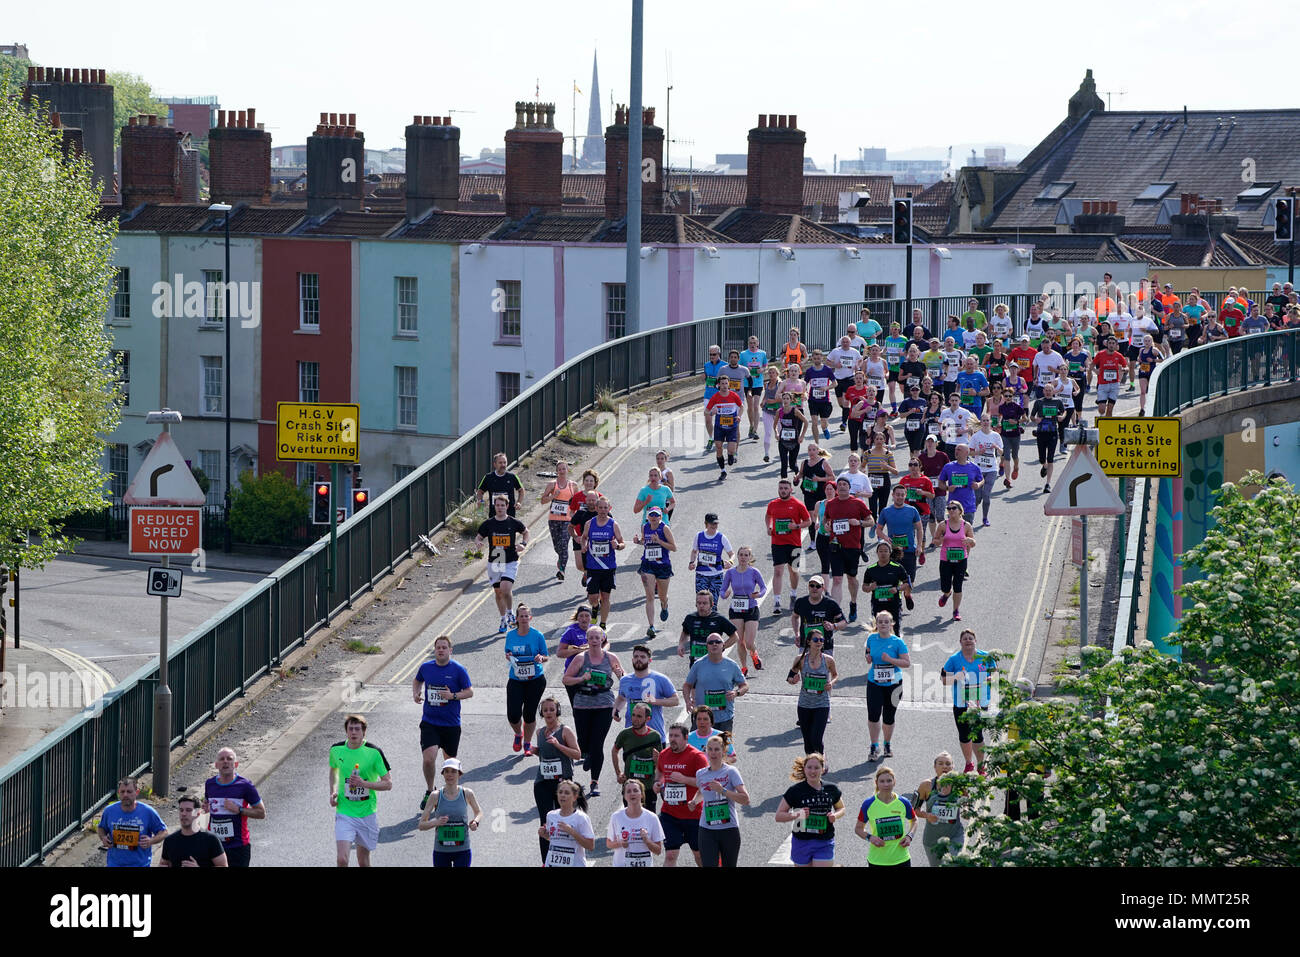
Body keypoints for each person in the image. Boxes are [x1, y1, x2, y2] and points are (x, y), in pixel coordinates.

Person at [412, 635, 473, 812]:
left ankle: (449, 794)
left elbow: (469, 692)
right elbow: (417, 680)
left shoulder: (458, 670)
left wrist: (452, 696)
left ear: (450, 650)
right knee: (429, 759)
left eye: (444, 647)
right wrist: (416, 693)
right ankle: (430, 791)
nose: (440, 650)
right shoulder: (426, 667)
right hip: (430, 722)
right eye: (438, 647)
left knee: (450, 764)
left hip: (451, 724)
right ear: (434, 650)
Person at [562, 625, 623, 797]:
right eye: (591, 638)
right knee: (583, 742)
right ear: (587, 640)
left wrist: (620, 674)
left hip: (604, 705)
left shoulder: (610, 657)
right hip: (583, 704)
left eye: (598, 637)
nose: (595, 641)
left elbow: (623, 679)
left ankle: (594, 782)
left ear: (603, 639)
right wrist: (582, 678)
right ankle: (587, 753)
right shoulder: (581, 658)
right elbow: (566, 679)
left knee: (597, 744)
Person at [328, 713, 392, 867]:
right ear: (346, 731)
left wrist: (364, 784)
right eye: (350, 729)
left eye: (357, 729)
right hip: (344, 813)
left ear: (364, 732)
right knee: (342, 859)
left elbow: (388, 784)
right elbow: (333, 770)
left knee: (363, 861)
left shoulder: (374, 752)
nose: (354, 732)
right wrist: (333, 791)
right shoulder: (336, 750)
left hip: (367, 814)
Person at [532, 695, 582, 863]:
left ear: (557, 711)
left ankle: (568, 858)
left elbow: (577, 754)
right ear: (541, 713)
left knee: (565, 819)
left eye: (552, 709)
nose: (548, 713)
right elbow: (543, 753)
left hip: (563, 783)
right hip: (543, 782)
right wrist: (534, 750)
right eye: (545, 710)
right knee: (545, 822)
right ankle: (546, 861)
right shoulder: (539, 732)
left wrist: (558, 745)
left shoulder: (565, 730)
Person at [775, 753, 846, 867]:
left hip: (824, 840)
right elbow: (779, 816)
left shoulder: (831, 789)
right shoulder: (795, 791)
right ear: (804, 769)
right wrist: (796, 815)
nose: (813, 771)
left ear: (823, 769)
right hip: (801, 841)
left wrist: (835, 815)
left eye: (817, 768)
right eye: (809, 767)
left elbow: (841, 808)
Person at [941, 629, 997, 773]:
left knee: (978, 734)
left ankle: (980, 765)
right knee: (964, 734)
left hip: (980, 702)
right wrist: (955, 677)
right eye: (964, 639)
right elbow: (943, 680)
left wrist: (990, 679)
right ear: (960, 642)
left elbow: (995, 674)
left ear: (975, 641)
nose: (967, 641)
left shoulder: (985, 657)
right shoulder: (954, 659)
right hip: (961, 703)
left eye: (970, 638)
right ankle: (968, 763)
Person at [654, 722, 708, 866]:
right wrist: (658, 782)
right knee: (671, 855)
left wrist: (684, 779)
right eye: (670, 735)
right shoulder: (664, 754)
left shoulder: (697, 756)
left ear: (685, 738)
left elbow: (706, 784)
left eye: (676, 736)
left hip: (693, 815)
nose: (672, 739)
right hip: (670, 815)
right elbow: (659, 771)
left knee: (699, 855)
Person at [474, 494, 529, 634]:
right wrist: (478, 542)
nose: (499, 508)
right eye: (497, 505)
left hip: (510, 560)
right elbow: (479, 536)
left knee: (505, 588)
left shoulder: (513, 522)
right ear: (494, 506)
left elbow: (525, 532)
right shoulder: (489, 523)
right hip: (495, 561)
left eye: (502, 505)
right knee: (499, 593)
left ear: (507, 506)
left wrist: (523, 544)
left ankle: (510, 613)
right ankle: (503, 618)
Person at [692, 734, 749, 867]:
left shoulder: (731, 772)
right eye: (710, 749)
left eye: (717, 749)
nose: (713, 753)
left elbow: (745, 799)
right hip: (706, 828)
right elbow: (702, 792)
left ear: (723, 752)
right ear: (705, 751)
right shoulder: (701, 773)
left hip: (728, 828)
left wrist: (722, 790)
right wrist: (694, 801)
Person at [203, 747, 266, 867]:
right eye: (222, 759)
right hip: (215, 846)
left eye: (229, 759)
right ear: (216, 765)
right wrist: (206, 807)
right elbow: (207, 802)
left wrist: (239, 810)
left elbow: (261, 813)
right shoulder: (209, 784)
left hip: (238, 846)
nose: (225, 761)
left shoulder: (245, 786)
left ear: (235, 764)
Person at [823, 477, 874, 622]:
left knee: (851, 578)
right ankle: (836, 613)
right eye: (839, 484)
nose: (842, 487)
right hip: (835, 546)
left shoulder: (857, 503)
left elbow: (871, 521)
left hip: (852, 546)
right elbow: (826, 520)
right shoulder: (831, 504)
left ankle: (853, 602)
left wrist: (858, 522)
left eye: (845, 484)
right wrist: (827, 525)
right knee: (837, 579)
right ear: (837, 489)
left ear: (849, 487)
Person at [417, 758, 482, 868]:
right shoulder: (435, 796)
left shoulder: (467, 793)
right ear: (443, 774)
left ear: (459, 774)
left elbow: (478, 812)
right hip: (441, 850)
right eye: (446, 771)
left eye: (453, 771)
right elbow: (421, 825)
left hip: (462, 849)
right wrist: (436, 822)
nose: (449, 775)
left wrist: (475, 821)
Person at [864, 610, 911, 760]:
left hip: (894, 684)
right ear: (876, 624)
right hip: (874, 683)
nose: (883, 624)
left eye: (886, 622)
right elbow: (868, 652)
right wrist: (868, 657)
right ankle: (874, 745)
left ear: (891, 624)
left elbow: (906, 663)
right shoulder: (871, 638)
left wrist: (891, 660)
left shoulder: (898, 642)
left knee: (889, 717)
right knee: (873, 715)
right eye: (880, 622)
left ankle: (887, 743)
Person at [683, 632, 749, 734]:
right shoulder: (698, 665)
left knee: (723, 749)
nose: (714, 644)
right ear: (707, 646)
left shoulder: (731, 665)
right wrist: (687, 700)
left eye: (717, 642)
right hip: (702, 718)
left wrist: (736, 693)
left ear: (723, 645)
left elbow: (744, 685)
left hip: (724, 717)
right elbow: (687, 685)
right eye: (711, 642)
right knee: (698, 748)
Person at [504, 603, 548, 756]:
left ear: (530, 618)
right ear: (516, 618)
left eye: (526, 616)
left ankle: (527, 743)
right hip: (516, 679)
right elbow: (507, 653)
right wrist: (508, 656)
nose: (523, 618)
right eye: (520, 616)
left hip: (535, 679)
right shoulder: (510, 635)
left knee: (529, 714)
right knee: (513, 714)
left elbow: (546, 655)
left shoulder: (537, 635)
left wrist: (541, 658)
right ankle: (518, 734)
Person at [765, 478, 811, 616]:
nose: (783, 491)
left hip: (794, 543)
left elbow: (808, 521)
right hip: (777, 543)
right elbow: (768, 516)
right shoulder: (773, 504)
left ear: (791, 490)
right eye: (781, 488)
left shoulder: (798, 504)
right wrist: (769, 526)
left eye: (785, 488)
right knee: (778, 571)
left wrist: (796, 526)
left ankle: (793, 594)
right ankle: (777, 601)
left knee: (794, 571)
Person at [855, 765, 917, 867]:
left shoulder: (903, 802)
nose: (886, 784)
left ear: (894, 782)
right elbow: (858, 829)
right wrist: (870, 838)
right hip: (877, 861)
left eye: (889, 781)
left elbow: (914, 820)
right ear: (876, 783)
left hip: (902, 859)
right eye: (882, 781)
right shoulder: (868, 804)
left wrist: (910, 836)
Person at [614, 644, 679, 741]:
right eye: (636, 656)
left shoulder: (660, 679)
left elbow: (676, 700)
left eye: (642, 657)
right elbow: (621, 698)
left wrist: (655, 701)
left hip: (655, 736)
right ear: (632, 660)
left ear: (650, 660)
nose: (638, 659)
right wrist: (616, 710)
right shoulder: (625, 680)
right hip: (631, 737)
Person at [97, 776, 167, 868]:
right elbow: (101, 827)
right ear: (118, 793)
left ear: (136, 792)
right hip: (114, 864)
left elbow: (164, 831)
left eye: (129, 792)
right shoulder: (109, 811)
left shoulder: (147, 812)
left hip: (140, 864)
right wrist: (103, 838)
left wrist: (151, 841)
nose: (125, 795)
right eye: (122, 792)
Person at [787, 631, 838, 755]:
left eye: (821, 640)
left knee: (816, 738)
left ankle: (820, 761)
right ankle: (810, 768)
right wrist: (793, 681)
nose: (819, 642)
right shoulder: (800, 659)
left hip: (822, 704)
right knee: (808, 741)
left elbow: (835, 675)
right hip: (804, 704)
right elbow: (790, 677)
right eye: (816, 640)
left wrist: (831, 683)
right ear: (809, 642)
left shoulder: (828, 660)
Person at [910, 751, 965, 866]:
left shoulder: (959, 784)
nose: (944, 766)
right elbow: (914, 810)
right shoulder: (926, 785)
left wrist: (966, 811)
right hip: (932, 838)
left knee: (953, 864)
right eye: (940, 763)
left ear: (952, 767)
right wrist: (927, 815)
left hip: (955, 835)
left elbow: (967, 804)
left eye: (948, 764)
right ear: (935, 767)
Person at [579, 495, 625, 628]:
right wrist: (584, 545)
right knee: (592, 597)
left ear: (609, 508)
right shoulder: (590, 523)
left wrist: (617, 546)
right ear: (596, 508)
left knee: (606, 596)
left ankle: (603, 624)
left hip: (608, 567)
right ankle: (595, 606)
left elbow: (622, 543)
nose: (603, 510)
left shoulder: (613, 524)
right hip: (593, 566)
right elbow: (584, 538)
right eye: (600, 507)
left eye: (605, 508)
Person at [720, 546, 767, 675]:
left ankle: (754, 654)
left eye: (746, 555)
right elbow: (722, 590)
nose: (743, 557)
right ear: (738, 557)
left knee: (749, 642)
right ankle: (744, 667)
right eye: (741, 555)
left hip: (751, 608)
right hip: (736, 608)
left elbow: (763, 588)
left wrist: (758, 595)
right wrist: (725, 595)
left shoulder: (754, 572)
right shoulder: (730, 573)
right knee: (740, 641)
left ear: (750, 558)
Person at [611, 701, 664, 811]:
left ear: (647, 719)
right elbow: (614, 751)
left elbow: (660, 763)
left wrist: (657, 760)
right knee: (630, 818)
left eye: (639, 716)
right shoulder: (625, 734)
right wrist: (618, 773)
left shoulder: (655, 736)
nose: (635, 719)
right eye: (633, 715)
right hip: (630, 787)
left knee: (649, 819)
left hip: (648, 787)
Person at [634, 506, 676, 638]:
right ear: (648, 517)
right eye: (651, 515)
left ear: (660, 517)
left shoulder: (664, 528)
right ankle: (651, 625)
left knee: (662, 596)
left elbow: (674, 547)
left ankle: (664, 605)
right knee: (650, 596)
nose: (653, 518)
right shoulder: (645, 527)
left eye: (656, 515)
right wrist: (639, 542)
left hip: (663, 565)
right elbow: (645, 542)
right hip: (648, 565)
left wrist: (659, 541)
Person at [607, 779, 665, 867]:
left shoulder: (652, 818)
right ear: (625, 796)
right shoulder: (616, 817)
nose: (632, 794)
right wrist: (621, 843)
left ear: (641, 794)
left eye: (635, 790)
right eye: (628, 791)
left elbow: (658, 851)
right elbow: (609, 844)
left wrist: (647, 840)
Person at [933, 503, 976, 622]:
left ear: (960, 510)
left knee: (958, 586)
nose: (951, 510)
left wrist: (970, 540)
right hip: (946, 560)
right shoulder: (943, 525)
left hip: (961, 560)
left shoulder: (966, 525)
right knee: (945, 586)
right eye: (949, 508)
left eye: (953, 508)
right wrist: (941, 540)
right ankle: (947, 594)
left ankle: (956, 610)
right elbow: (935, 541)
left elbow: (973, 542)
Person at [540, 779, 596, 867]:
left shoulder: (581, 818)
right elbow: (556, 840)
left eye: (566, 793)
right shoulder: (550, 815)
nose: (562, 795)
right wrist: (545, 835)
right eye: (560, 792)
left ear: (575, 797)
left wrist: (572, 832)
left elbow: (590, 846)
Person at [539, 458, 578, 581]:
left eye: (564, 468)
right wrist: (552, 496)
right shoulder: (551, 484)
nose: (562, 471)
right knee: (557, 546)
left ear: (568, 470)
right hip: (554, 519)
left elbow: (576, 503)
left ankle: (562, 570)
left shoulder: (573, 485)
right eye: (559, 469)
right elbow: (542, 501)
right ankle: (560, 559)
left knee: (564, 544)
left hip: (567, 519)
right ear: (556, 471)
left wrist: (576, 518)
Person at [158, 796, 227, 867]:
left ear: (198, 813)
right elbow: (163, 864)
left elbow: (223, 865)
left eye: (188, 810)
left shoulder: (211, 839)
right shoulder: (170, 841)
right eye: (181, 810)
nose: (183, 814)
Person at [875, 485, 924, 582]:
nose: (900, 497)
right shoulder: (886, 511)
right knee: (893, 581)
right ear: (893, 495)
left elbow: (919, 529)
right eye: (897, 495)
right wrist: (885, 537)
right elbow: (878, 530)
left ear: (905, 495)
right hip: (893, 552)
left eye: (902, 495)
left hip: (909, 550)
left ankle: (908, 597)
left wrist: (919, 545)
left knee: (909, 581)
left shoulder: (912, 510)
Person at [679, 588, 738, 668]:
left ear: (712, 604)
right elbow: (685, 632)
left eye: (705, 603)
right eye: (699, 603)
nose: (701, 606)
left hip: (714, 662)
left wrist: (721, 647)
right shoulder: (690, 618)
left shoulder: (719, 619)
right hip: (695, 663)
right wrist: (681, 644)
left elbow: (735, 637)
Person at [861, 541, 913, 630]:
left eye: (885, 551)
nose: (883, 553)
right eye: (880, 551)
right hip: (878, 604)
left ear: (890, 553)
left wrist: (897, 588)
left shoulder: (897, 567)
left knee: (895, 630)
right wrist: (870, 588)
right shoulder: (871, 569)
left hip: (894, 603)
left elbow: (907, 584)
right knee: (878, 630)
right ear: (877, 553)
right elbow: (864, 587)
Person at [790, 573, 846, 655]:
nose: (814, 588)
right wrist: (797, 633)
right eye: (812, 585)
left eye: (818, 586)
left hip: (825, 647)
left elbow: (844, 622)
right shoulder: (801, 602)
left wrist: (833, 626)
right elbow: (795, 617)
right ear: (808, 587)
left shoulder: (831, 604)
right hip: (805, 646)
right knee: (804, 667)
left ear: (823, 588)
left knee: (826, 668)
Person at [688, 512, 733, 610]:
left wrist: (730, 562)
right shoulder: (699, 536)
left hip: (716, 574)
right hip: (701, 574)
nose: (714, 526)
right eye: (712, 523)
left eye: (716, 523)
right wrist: (692, 562)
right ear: (706, 524)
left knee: (712, 605)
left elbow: (732, 554)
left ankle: (711, 624)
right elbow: (694, 551)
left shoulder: (721, 537)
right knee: (701, 604)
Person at [1031, 384, 1067, 495]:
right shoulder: (1039, 402)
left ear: (1053, 391)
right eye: (1046, 390)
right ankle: (1044, 466)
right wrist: (1035, 419)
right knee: (1042, 458)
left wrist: (1062, 417)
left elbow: (1064, 411)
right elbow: (1032, 416)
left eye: (1050, 390)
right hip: (1041, 433)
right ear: (1043, 391)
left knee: (1050, 458)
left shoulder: (1057, 402)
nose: (1048, 392)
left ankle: (1048, 484)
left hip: (1052, 433)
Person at [568, 468, 601, 587]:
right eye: (586, 480)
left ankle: (592, 580)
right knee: (580, 565)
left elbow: (605, 514)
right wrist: (577, 519)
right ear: (583, 482)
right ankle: (586, 572)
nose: (588, 483)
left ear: (595, 482)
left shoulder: (600, 497)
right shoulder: (577, 496)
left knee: (593, 562)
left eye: (591, 481)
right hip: (579, 534)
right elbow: (571, 512)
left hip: (595, 535)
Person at [969, 413, 1004, 526]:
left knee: (986, 495)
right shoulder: (976, 436)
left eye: (987, 420)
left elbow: (1002, 452)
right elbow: (970, 452)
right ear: (981, 422)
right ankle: (971, 517)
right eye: (983, 420)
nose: (985, 422)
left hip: (991, 469)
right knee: (978, 497)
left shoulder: (995, 436)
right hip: (978, 469)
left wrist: (996, 447)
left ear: (990, 422)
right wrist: (979, 452)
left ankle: (985, 518)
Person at [937, 442, 983, 526]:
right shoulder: (948, 467)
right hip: (953, 507)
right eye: (955, 450)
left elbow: (982, 480)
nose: (956, 452)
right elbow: (940, 483)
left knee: (967, 533)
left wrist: (978, 484)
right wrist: (947, 488)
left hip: (968, 506)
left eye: (959, 450)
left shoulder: (974, 467)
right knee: (953, 533)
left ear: (966, 453)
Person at [707, 374, 744, 478]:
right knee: (719, 447)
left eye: (726, 383)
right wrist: (711, 412)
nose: (724, 385)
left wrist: (739, 416)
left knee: (731, 449)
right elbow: (706, 411)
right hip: (719, 427)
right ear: (719, 385)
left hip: (732, 426)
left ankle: (731, 455)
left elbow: (741, 407)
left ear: (729, 384)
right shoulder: (715, 397)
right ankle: (723, 471)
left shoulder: (734, 395)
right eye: (722, 384)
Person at [556, 604, 593, 707]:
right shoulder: (571, 631)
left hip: (592, 675)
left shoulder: (595, 630)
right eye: (581, 616)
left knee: (594, 708)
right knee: (578, 709)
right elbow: (559, 653)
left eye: (587, 615)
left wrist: (600, 650)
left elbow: (607, 643)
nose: (584, 619)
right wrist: (578, 650)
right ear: (577, 618)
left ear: (591, 617)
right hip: (574, 675)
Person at [796, 444, 835, 538]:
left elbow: (832, 477)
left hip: (820, 493)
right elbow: (801, 473)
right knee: (811, 516)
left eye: (813, 449)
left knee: (822, 516)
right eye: (809, 450)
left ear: (818, 451)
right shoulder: (804, 462)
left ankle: (824, 533)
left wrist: (819, 479)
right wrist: (797, 477)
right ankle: (813, 540)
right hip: (808, 493)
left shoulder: (823, 462)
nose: (811, 452)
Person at [827, 334, 863, 431]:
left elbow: (860, 359)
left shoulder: (854, 352)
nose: (845, 343)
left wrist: (857, 366)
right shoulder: (836, 351)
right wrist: (835, 364)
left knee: (846, 401)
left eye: (847, 342)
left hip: (849, 378)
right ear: (841, 343)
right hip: (838, 379)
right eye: (843, 342)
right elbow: (827, 361)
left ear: (850, 343)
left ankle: (844, 422)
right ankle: (846, 412)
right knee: (841, 403)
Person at [918, 435, 949, 541]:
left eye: (932, 442)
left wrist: (942, 477)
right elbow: (917, 472)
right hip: (927, 491)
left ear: (936, 444)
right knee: (930, 515)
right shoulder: (922, 457)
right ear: (926, 443)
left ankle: (943, 536)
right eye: (928, 442)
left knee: (940, 516)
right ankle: (934, 538)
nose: (930, 444)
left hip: (940, 490)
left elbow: (948, 470)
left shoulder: (942, 456)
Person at [864, 430, 899, 519]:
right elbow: (862, 466)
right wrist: (861, 471)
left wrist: (887, 467)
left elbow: (896, 472)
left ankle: (880, 526)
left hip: (884, 480)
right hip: (872, 480)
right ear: (873, 440)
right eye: (877, 439)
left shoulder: (888, 454)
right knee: (872, 506)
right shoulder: (867, 453)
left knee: (883, 507)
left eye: (881, 439)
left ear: (884, 440)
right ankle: (873, 524)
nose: (879, 441)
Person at [476, 451, 523, 517]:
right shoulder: (488, 477)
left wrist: (519, 502)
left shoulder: (512, 477)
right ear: (495, 464)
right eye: (500, 463)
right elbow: (480, 491)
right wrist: (480, 501)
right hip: (494, 515)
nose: (503, 465)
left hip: (509, 514)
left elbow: (521, 490)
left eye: (505, 462)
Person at [897, 457, 935, 539]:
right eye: (910, 465)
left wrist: (923, 493)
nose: (913, 467)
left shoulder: (925, 480)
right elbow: (897, 495)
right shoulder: (904, 480)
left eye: (915, 464)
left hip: (922, 511)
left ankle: (921, 551)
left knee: (921, 534)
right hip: (907, 510)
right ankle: (911, 551)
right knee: (909, 534)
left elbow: (932, 495)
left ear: (920, 466)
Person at [739, 335, 769, 439]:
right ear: (748, 344)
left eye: (754, 343)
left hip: (758, 383)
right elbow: (739, 367)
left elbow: (766, 365)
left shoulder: (762, 353)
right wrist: (746, 368)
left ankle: (755, 430)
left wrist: (762, 370)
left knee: (756, 406)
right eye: (750, 343)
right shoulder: (743, 354)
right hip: (747, 384)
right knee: (750, 407)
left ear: (758, 343)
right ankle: (751, 425)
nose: (752, 345)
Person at [804, 348, 837, 440]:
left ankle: (825, 428)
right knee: (814, 422)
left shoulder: (827, 370)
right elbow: (804, 384)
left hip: (824, 400)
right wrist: (805, 392)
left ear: (822, 358)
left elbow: (835, 383)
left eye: (818, 358)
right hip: (813, 400)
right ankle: (816, 442)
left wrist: (827, 387)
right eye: (815, 358)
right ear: (812, 359)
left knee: (823, 423)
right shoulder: (809, 371)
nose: (817, 360)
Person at [774, 390, 809, 478]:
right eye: (784, 398)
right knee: (784, 463)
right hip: (783, 441)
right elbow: (774, 425)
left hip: (794, 441)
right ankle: (784, 482)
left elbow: (806, 422)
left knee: (792, 465)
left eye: (787, 399)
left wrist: (802, 436)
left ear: (791, 400)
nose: (785, 401)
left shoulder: (795, 411)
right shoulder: (779, 411)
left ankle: (797, 475)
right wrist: (776, 433)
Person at [1092, 335, 1127, 418]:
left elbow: (1126, 367)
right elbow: (1091, 365)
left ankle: (1107, 426)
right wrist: (1095, 370)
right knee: (1102, 409)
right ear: (1106, 344)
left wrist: (1123, 369)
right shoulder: (1100, 354)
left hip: (1114, 384)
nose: (1111, 345)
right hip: (1102, 384)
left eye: (1113, 343)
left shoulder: (1119, 356)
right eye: (1110, 343)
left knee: (1110, 408)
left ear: (1116, 345)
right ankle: (1102, 415)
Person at [841, 368, 873, 453]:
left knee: (864, 439)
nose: (858, 380)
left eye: (860, 378)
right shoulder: (850, 389)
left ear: (863, 379)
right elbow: (846, 400)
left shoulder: (868, 390)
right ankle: (853, 456)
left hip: (864, 418)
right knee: (853, 438)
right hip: (853, 418)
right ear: (854, 379)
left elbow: (873, 403)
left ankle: (864, 457)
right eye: (857, 378)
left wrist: (865, 401)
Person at [937, 390, 976, 460]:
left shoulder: (965, 412)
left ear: (960, 401)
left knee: (963, 462)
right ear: (949, 401)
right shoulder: (945, 412)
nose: (954, 402)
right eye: (952, 400)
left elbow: (972, 426)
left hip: (962, 441)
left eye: (956, 400)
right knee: (950, 462)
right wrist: (942, 432)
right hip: (949, 442)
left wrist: (963, 431)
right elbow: (939, 423)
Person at [701, 344, 725, 451]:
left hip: (720, 396)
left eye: (714, 354)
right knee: (707, 419)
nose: (712, 356)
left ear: (719, 354)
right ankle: (711, 439)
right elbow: (705, 378)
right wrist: (703, 377)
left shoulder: (725, 366)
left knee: (720, 420)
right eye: (710, 354)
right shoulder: (706, 365)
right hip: (708, 396)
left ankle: (720, 438)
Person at [759, 365, 783, 463]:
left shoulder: (780, 383)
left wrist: (774, 401)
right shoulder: (767, 383)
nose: (771, 374)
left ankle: (783, 453)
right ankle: (766, 454)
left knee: (781, 432)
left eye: (773, 372)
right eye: (770, 372)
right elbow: (766, 395)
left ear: (777, 374)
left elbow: (785, 397)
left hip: (778, 411)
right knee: (768, 432)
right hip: (767, 411)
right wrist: (763, 401)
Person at [898, 382, 929, 455]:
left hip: (920, 427)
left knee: (917, 448)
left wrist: (924, 418)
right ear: (910, 391)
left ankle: (917, 464)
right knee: (912, 449)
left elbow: (927, 412)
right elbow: (901, 416)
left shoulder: (923, 401)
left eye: (916, 390)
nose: (915, 392)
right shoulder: (906, 401)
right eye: (913, 390)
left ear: (919, 390)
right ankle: (913, 464)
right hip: (909, 427)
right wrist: (910, 412)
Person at [1136, 333, 1162, 411]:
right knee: (1143, 391)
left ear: (1152, 341)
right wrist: (1139, 360)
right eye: (1145, 341)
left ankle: (1154, 407)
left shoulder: (1154, 350)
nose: (1147, 342)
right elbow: (1139, 358)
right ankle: (1142, 409)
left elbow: (1162, 359)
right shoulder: (1141, 350)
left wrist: (1153, 360)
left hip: (1151, 372)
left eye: (1149, 341)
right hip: (1143, 372)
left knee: (1152, 391)